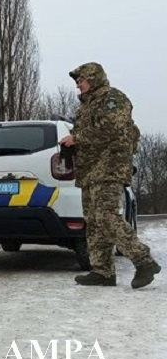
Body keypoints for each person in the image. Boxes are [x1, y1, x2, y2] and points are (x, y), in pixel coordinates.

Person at [60, 62, 160, 288]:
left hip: (109, 167)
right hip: (90, 171)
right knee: (93, 221)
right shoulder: (87, 106)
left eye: (81, 80)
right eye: (77, 82)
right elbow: (87, 134)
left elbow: (113, 126)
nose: (78, 85)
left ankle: (144, 261)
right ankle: (103, 271)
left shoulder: (112, 98)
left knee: (106, 216)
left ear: (93, 78)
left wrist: (78, 138)